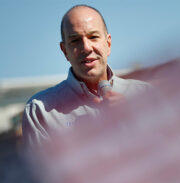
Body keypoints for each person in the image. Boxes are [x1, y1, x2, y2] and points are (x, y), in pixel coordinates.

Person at [22, 5, 150, 147]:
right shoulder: (41, 111)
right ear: (65, 51)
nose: (86, 47)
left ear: (108, 44)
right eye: (75, 40)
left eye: (93, 37)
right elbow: (42, 169)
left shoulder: (145, 94)